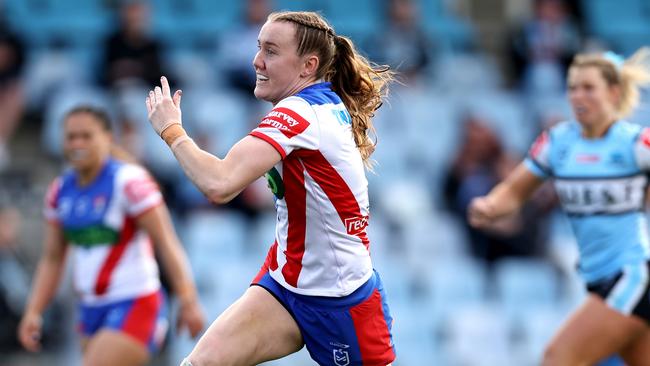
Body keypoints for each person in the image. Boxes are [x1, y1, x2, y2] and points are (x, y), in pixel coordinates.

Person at [145, 11, 396, 366]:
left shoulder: (300, 114)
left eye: (271, 51)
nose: (256, 60)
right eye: (258, 47)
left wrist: (172, 130)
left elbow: (219, 184)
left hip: (341, 301)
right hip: (285, 284)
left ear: (308, 66)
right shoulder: (314, 105)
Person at [468, 48, 650, 365]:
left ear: (613, 92)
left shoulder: (635, 144)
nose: (578, 95)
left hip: (633, 278)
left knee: (558, 358)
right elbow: (515, 189)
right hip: (598, 279)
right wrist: (490, 205)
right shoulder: (558, 143)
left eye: (588, 87)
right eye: (573, 87)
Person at [17, 106, 205, 366]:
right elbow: (52, 258)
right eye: (71, 137)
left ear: (107, 138)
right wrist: (34, 311)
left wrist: (187, 299)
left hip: (135, 303)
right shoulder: (60, 191)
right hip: (90, 309)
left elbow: (166, 242)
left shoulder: (129, 182)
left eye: (86, 135)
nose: (78, 143)